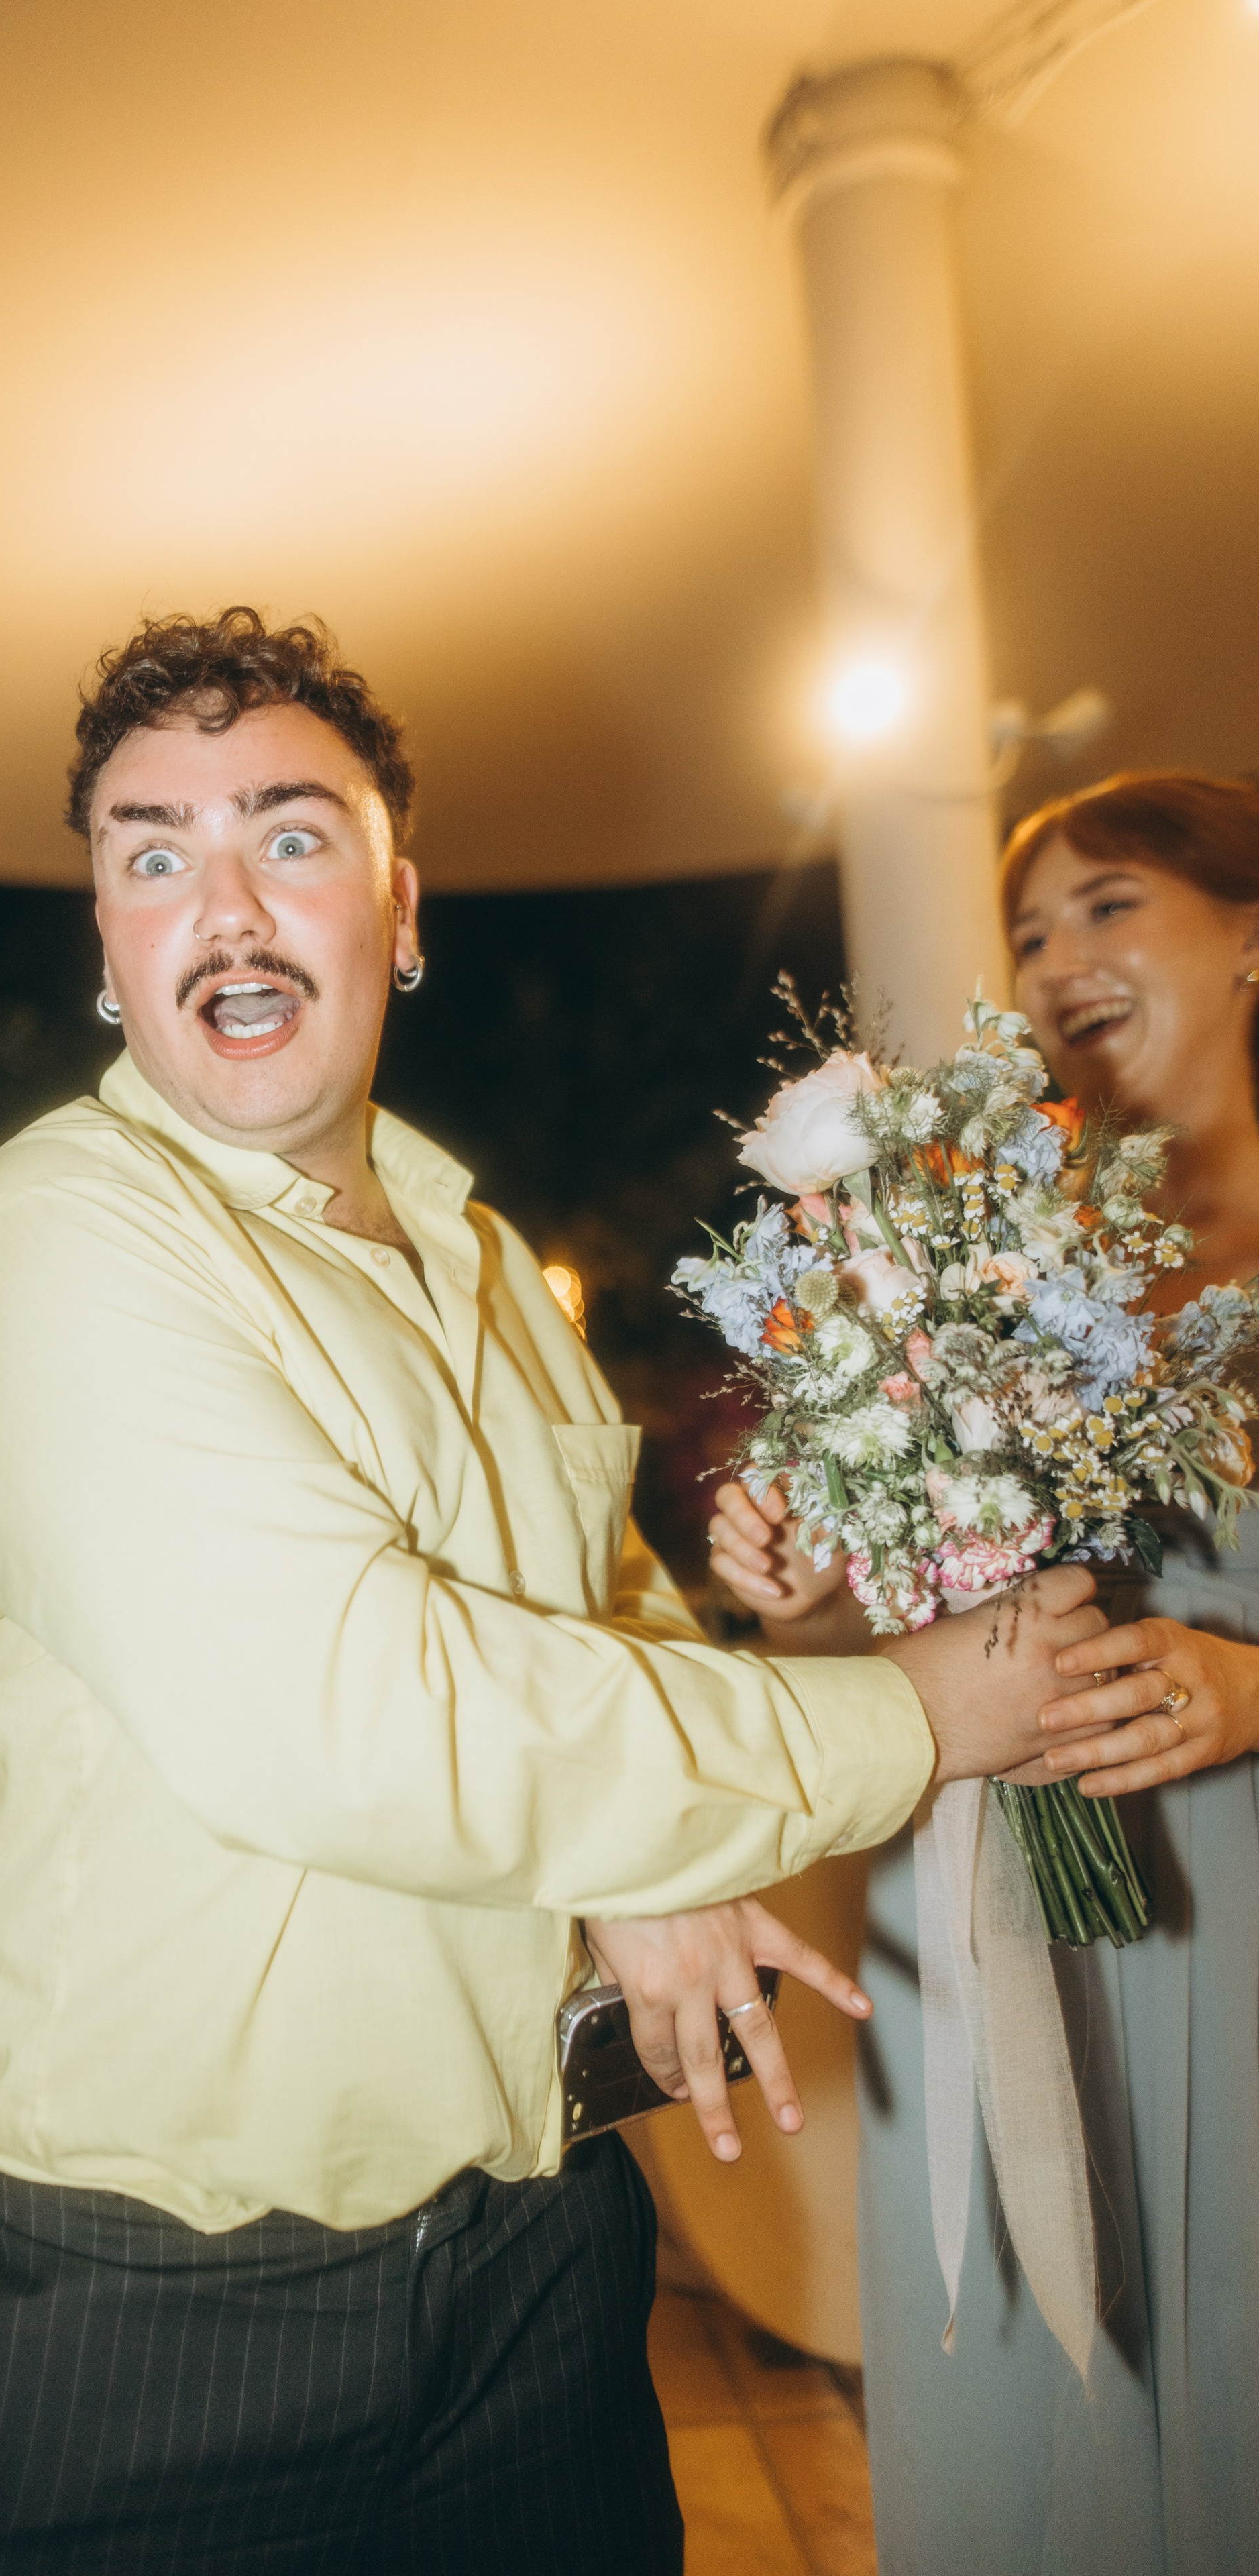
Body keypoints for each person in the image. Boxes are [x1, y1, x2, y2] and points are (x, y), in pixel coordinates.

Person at [0, 608, 1109, 2576]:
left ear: (400, 905)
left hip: (540, 2250)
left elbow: (592, 1608)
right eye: (153, 854)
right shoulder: (68, 1229)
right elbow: (356, 1715)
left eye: (290, 836)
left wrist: (648, 1838)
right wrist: (918, 1715)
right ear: (108, 939)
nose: (225, 907)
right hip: (154, 2306)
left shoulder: (487, 1259)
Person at [710, 771, 1259, 2576]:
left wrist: (1255, 1692)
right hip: (1005, 1911)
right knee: (1027, 2421)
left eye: (1111, 904)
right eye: (1030, 931)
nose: (1058, 958)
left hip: (1242, 1913)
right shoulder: (980, 1251)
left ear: (1250, 938)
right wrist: (804, 1577)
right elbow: (920, 1589)